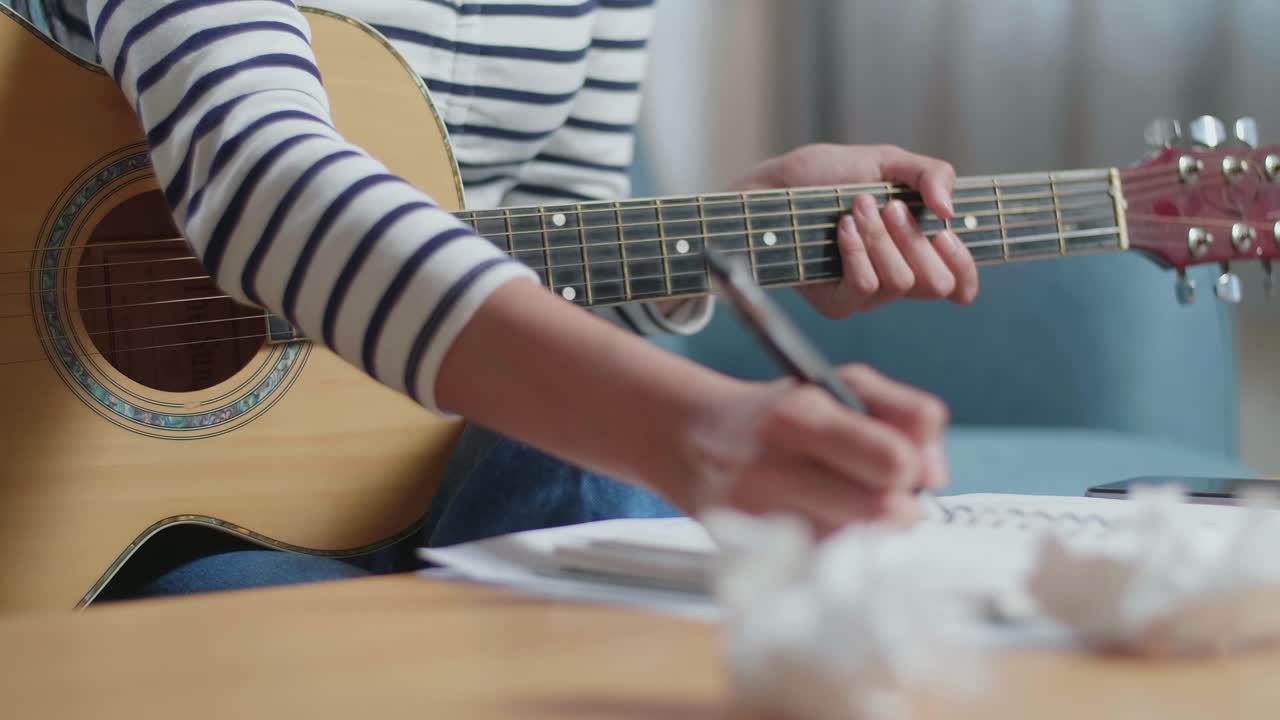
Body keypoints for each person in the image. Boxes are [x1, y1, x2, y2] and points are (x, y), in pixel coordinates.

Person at [23, 0, 979, 598]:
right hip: (130, 522)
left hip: (439, 471)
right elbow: (260, 176)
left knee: (592, 487)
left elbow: (558, 248)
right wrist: (686, 425)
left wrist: (732, 234)